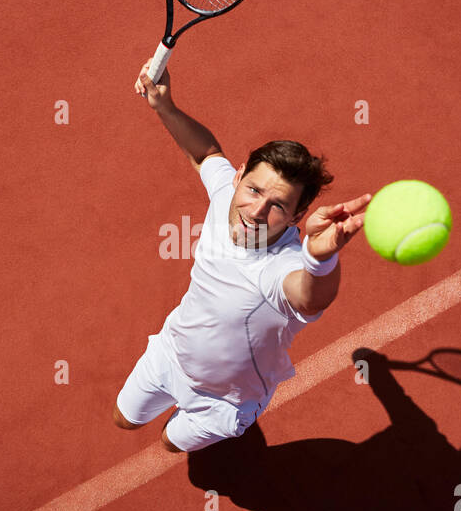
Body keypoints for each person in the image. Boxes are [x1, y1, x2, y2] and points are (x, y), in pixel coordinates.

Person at [111, 60, 372, 453]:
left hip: (224, 402)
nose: (256, 211)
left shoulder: (281, 267)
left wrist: (320, 258)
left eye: (278, 205)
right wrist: (165, 107)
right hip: (170, 353)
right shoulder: (224, 197)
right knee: (124, 420)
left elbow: (308, 297)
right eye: (253, 190)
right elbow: (204, 153)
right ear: (239, 176)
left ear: (297, 217)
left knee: (169, 444)